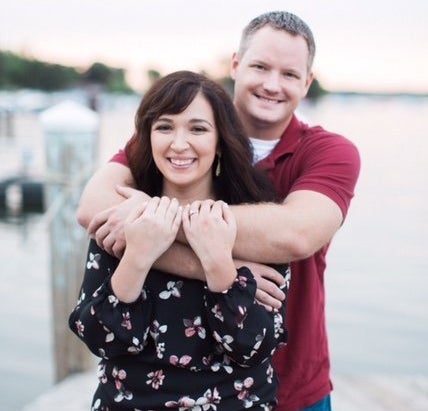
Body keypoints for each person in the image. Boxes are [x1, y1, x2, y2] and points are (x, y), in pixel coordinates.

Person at [76, 11, 361, 411]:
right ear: (236, 65)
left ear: (307, 82)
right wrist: (213, 258)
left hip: (293, 383)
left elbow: (295, 235)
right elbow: (94, 208)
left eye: (290, 74)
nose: (272, 85)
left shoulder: (330, 152)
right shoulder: (184, 130)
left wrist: (159, 222)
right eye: (260, 66)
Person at [69, 70, 289, 410]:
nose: (179, 143)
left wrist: (219, 266)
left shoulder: (253, 222)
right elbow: (98, 338)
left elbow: (255, 346)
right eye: (165, 127)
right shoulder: (124, 215)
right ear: (148, 137)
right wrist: (137, 256)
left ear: (220, 142)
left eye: (198, 128)